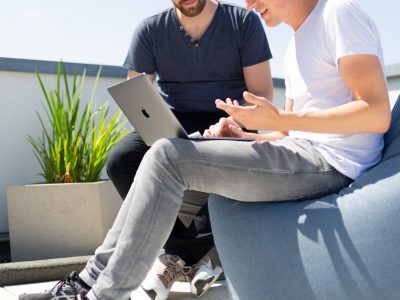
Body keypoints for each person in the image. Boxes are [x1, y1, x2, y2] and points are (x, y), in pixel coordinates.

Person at [19, 0, 391, 299]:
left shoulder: (337, 12)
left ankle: (102, 292)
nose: (249, 6)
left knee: (168, 157)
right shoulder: (296, 42)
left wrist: (276, 122)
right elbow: (286, 135)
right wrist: (242, 136)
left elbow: (376, 114)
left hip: (331, 163)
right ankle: (86, 283)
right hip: (302, 153)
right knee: (162, 150)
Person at [18, 0, 272, 300]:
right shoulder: (150, 30)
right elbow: (138, 97)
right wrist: (164, 128)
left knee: (209, 161)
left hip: (230, 120)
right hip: (175, 121)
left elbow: (261, 94)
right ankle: (186, 251)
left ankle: (176, 257)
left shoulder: (243, 22)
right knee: (121, 160)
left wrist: (230, 122)